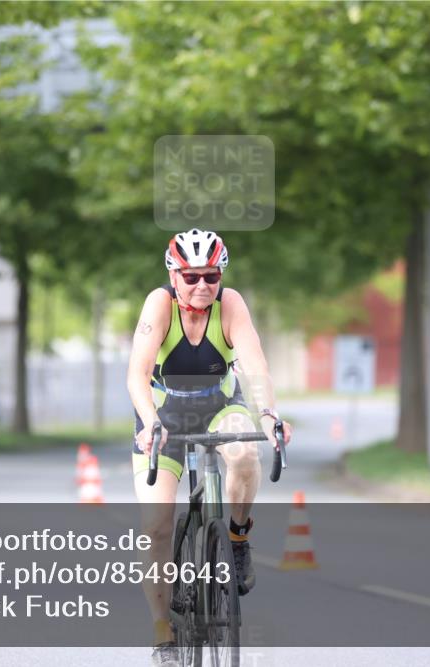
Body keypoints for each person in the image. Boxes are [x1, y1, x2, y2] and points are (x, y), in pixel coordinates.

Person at [127, 228, 292, 666]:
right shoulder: (158, 305)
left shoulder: (230, 304)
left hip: (219, 405)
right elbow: (137, 374)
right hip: (163, 415)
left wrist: (270, 415)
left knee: (243, 451)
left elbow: (254, 365)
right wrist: (149, 424)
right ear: (174, 274)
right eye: (192, 276)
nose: (202, 285)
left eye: (211, 276)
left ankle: (236, 539)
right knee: (156, 527)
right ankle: (163, 632)